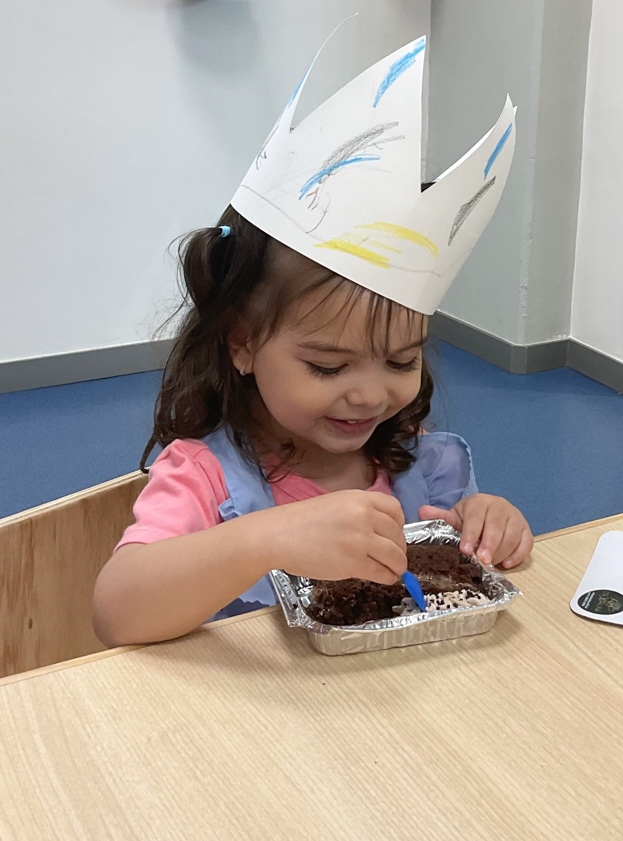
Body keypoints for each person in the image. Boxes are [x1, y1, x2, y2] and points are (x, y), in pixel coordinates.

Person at [93, 32, 533, 646]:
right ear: (242, 342)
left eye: (400, 361)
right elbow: (115, 613)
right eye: (328, 366)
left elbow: (463, 548)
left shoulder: (419, 464)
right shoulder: (206, 478)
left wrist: (490, 522)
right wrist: (264, 538)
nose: (371, 395)